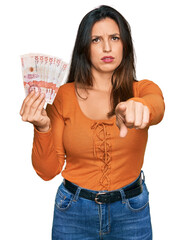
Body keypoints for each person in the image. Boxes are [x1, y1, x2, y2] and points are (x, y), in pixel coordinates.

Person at [20, 5, 165, 240]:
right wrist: (42, 128)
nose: (107, 47)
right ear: (84, 48)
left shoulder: (142, 89)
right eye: (96, 39)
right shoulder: (62, 96)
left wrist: (140, 107)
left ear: (124, 44)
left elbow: (157, 106)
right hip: (73, 213)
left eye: (114, 38)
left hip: (132, 212)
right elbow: (47, 172)